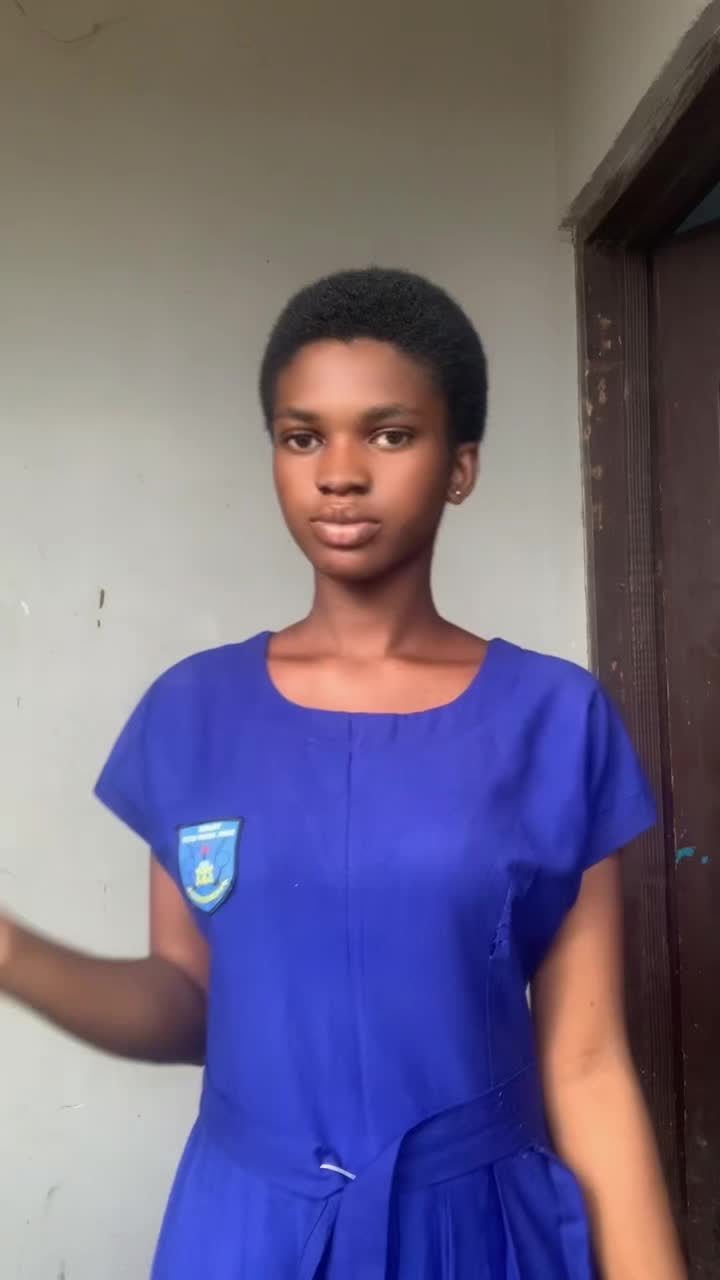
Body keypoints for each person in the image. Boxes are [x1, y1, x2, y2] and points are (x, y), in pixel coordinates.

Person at [0, 268, 685, 1279]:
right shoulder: (193, 712)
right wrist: (12, 952)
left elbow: (585, 1065)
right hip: (244, 1230)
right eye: (302, 436)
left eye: (390, 435)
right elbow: (187, 1001)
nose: (340, 473)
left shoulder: (554, 719)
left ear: (460, 466)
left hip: (476, 1229)